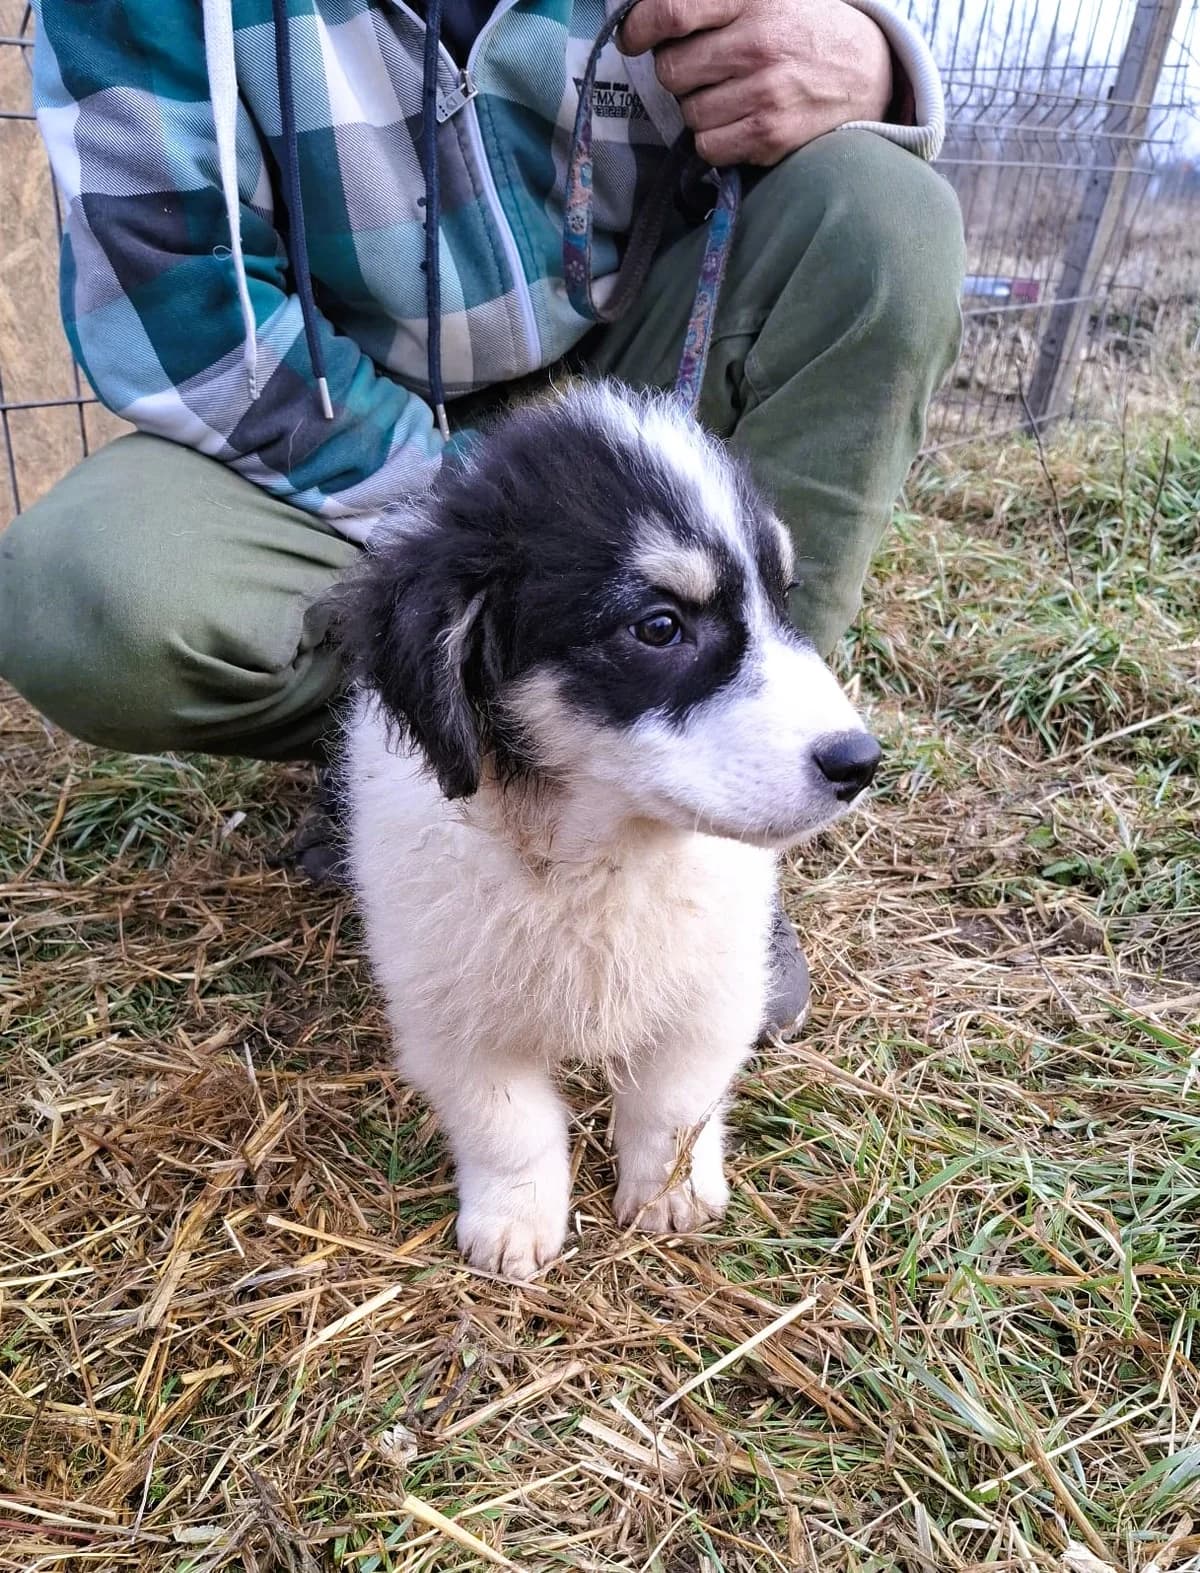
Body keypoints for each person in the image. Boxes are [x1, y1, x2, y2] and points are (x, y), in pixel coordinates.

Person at [0, 0, 964, 1031]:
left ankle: (732, 788)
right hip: (329, 413)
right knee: (79, 589)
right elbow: (184, 313)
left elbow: (820, 75)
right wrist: (484, 516)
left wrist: (874, 63)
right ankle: (421, 753)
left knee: (884, 216)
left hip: (636, 376)